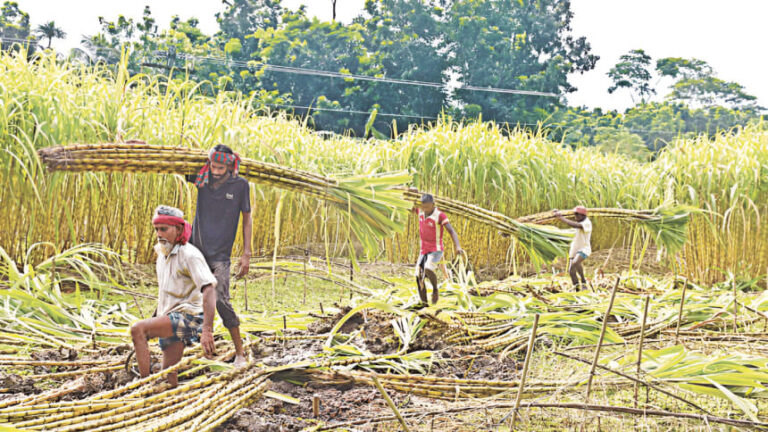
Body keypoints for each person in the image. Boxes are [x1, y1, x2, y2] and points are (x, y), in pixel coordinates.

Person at [130, 205, 217, 387]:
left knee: (138, 329)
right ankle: (169, 392)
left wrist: (207, 331)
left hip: (190, 318)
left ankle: (144, 384)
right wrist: (155, 319)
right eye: (156, 230)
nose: (159, 234)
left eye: (164, 229)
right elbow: (165, 293)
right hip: (170, 317)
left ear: (178, 229)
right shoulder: (162, 255)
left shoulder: (189, 255)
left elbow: (209, 288)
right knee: (169, 377)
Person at [186, 144, 252, 367]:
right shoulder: (202, 179)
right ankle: (162, 343)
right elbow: (173, 164)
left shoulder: (240, 185)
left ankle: (240, 352)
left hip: (220, 255)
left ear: (230, 166)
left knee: (222, 299)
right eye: (212, 166)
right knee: (179, 293)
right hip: (196, 251)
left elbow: (247, 218)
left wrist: (246, 253)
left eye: (220, 168)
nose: (215, 171)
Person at [414, 193, 463, 305]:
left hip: (436, 249)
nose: (425, 210)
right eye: (423, 207)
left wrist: (457, 246)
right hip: (423, 250)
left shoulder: (440, 215)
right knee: (418, 276)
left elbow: (451, 231)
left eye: (427, 207)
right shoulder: (420, 211)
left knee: (428, 268)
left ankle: (435, 290)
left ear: (433, 205)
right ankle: (424, 304)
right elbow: (410, 201)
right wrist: (413, 191)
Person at [554, 206, 592, 289]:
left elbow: (576, 225)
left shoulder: (587, 223)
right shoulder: (580, 220)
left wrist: (561, 218)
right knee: (571, 271)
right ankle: (577, 288)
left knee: (575, 263)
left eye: (577, 215)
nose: (575, 217)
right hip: (574, 248)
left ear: (583, 215)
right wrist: (557, 213)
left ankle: (583, 281)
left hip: (584, 249)